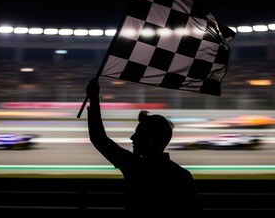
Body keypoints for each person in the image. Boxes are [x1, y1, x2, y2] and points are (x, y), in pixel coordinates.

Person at [86, 77, 200, 217]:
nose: (132, 137)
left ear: (151, 141)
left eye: (138, 134)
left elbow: (98, 138)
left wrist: (94, 98)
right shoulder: (183, 176)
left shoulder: (134, 166)